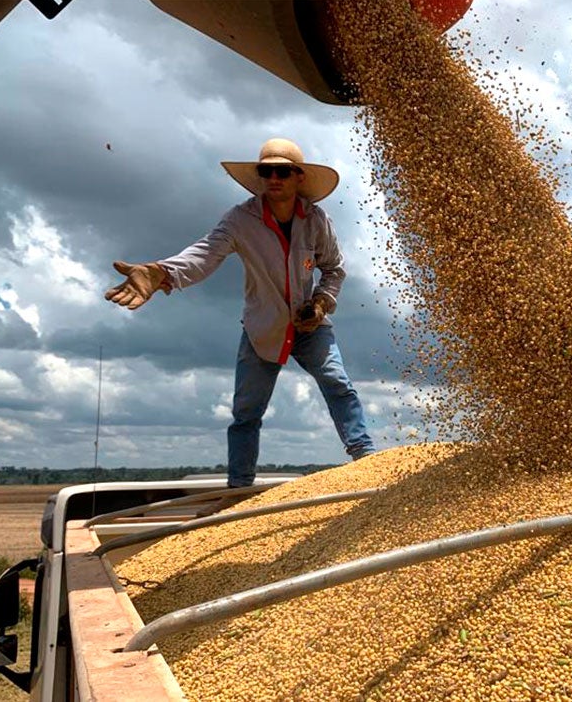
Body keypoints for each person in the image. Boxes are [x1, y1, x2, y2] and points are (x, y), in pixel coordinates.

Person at [105, 138, 375, 488]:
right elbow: (204, 254)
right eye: (266, 171)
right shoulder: (240, 220)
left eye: (282, 171)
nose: (274, 178)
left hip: (310, 324)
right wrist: (163, 272)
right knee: (246, 413)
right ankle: (239, 488)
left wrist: (321, 302)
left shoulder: (316, 220)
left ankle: (366, 457)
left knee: (338, 383)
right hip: (263, 327)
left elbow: (334, 269)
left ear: (298, 178)